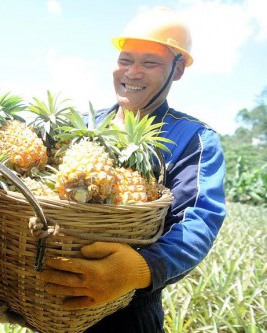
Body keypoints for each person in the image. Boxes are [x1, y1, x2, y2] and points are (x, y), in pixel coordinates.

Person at [38, 7, 227, 332]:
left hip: (129, 310)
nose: (133, 72)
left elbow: (199, 222)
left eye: (150, 63)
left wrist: (139, 268)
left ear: (177, 69)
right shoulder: (82, 124)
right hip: (52, 298)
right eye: (125, 60)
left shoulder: (194, 138)